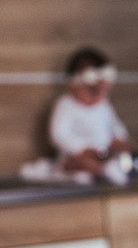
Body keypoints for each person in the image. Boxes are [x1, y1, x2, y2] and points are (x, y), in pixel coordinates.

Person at [49, 47, 131, 185]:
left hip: (104, 154)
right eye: (92, 91)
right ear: (73, 85)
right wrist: (81, 149)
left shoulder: (104, 106)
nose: (97, 96)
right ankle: (96, 171)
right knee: (78, 164)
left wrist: (118, 139)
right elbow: (59, 134)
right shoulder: (66, 104)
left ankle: (106, 171)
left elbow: (115, 125)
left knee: (123, 159)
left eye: (102, 91)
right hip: (77, 155)